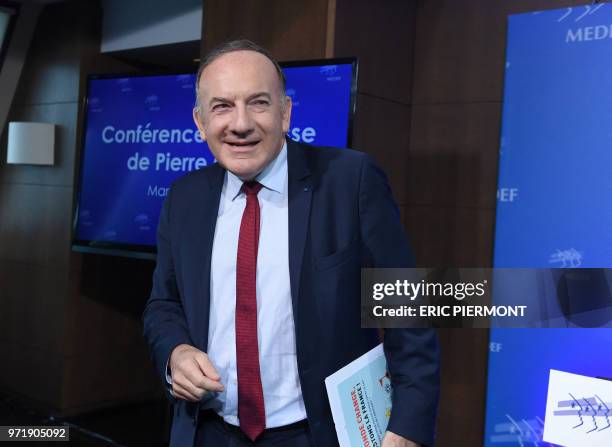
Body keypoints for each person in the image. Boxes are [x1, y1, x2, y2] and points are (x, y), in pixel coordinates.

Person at [142, 39, 439, 447]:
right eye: (222, 106)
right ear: (200, 121)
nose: (240, 123)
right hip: (207, 433)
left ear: (285, 113)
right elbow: (164, 303)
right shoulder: (183, 198)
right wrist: (175, 352)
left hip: (318, 435)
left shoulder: (350, 181)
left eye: (259, 103)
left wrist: (407, 426)